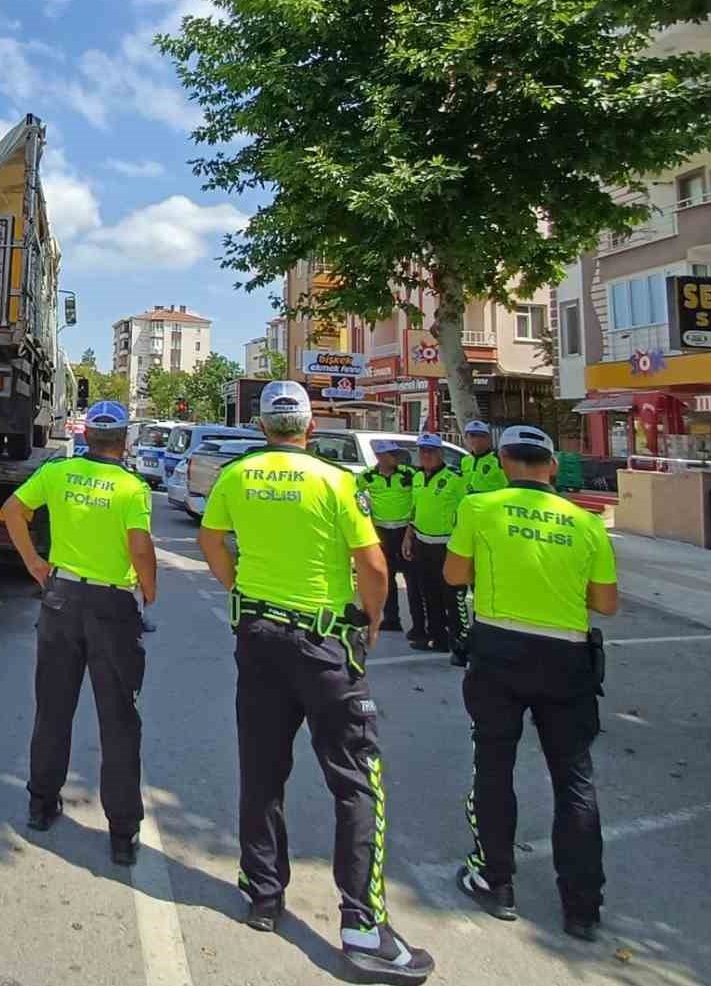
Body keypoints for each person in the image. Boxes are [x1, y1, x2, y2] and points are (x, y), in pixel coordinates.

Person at [197, 381, 434, 985]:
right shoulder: (336, 480)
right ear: (309, 424)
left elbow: (210, 540)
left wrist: (239, 590)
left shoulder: (238, 475)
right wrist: (374, 616)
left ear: (260, 425)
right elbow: (373, 564)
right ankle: (362, 927)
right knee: (356, 780)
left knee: (262, 766)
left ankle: (263, 893)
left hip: (258, 638)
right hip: (324, 643)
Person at [442, 425, 618, 942]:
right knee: (574, 779)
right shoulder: (586, 523)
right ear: (553, 466)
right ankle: (582, 906)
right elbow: (606, 603)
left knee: (494, 766)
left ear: (501, 463)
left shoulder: (481, 509)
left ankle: (496, 882)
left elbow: (454, 575)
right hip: (566, 657)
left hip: (498, 652)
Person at [0, 400, 158, 866]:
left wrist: (34, 563)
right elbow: (140, 547)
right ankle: (122, 833)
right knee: (119, 720)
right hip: (112, 605)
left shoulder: (58, 473)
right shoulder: (131, 488)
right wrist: (149, 590)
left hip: (60, 597)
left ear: (87, 435)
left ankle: (41, 803)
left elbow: (12, 510)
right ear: (124, 439)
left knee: (53, 708)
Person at [402, 434, 468, 658]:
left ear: (440, 453)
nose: (426, 455)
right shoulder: (418, 477)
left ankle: (459, 641)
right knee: (429, 593)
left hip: (447, 545)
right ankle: (437, 637)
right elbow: (415, 509)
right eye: (422, 451)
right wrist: (408, 536)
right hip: (422, 543)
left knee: (452, 596)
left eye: (431, 451)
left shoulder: (455, 478)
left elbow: (466, 511)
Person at [358, 440, 423, 639]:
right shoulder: (368, 475)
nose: (394, 458)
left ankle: (419, 624)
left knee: (413, 579)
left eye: (395, 454)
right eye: (389, 454)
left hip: (405, 532)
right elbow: (353, 493)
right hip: (382, 531)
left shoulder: (408, 474)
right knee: (386, 576)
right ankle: (392, 619)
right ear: (379, 456)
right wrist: (364, 514)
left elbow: (421, 495)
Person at [460, 420, 510, 494]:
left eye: (481, 436)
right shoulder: (465, 460)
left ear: (488, 438)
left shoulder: (498, 460)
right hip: (468, 503)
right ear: (466, 438)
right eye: (472, 435)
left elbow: (508, 486)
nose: (477, 439)